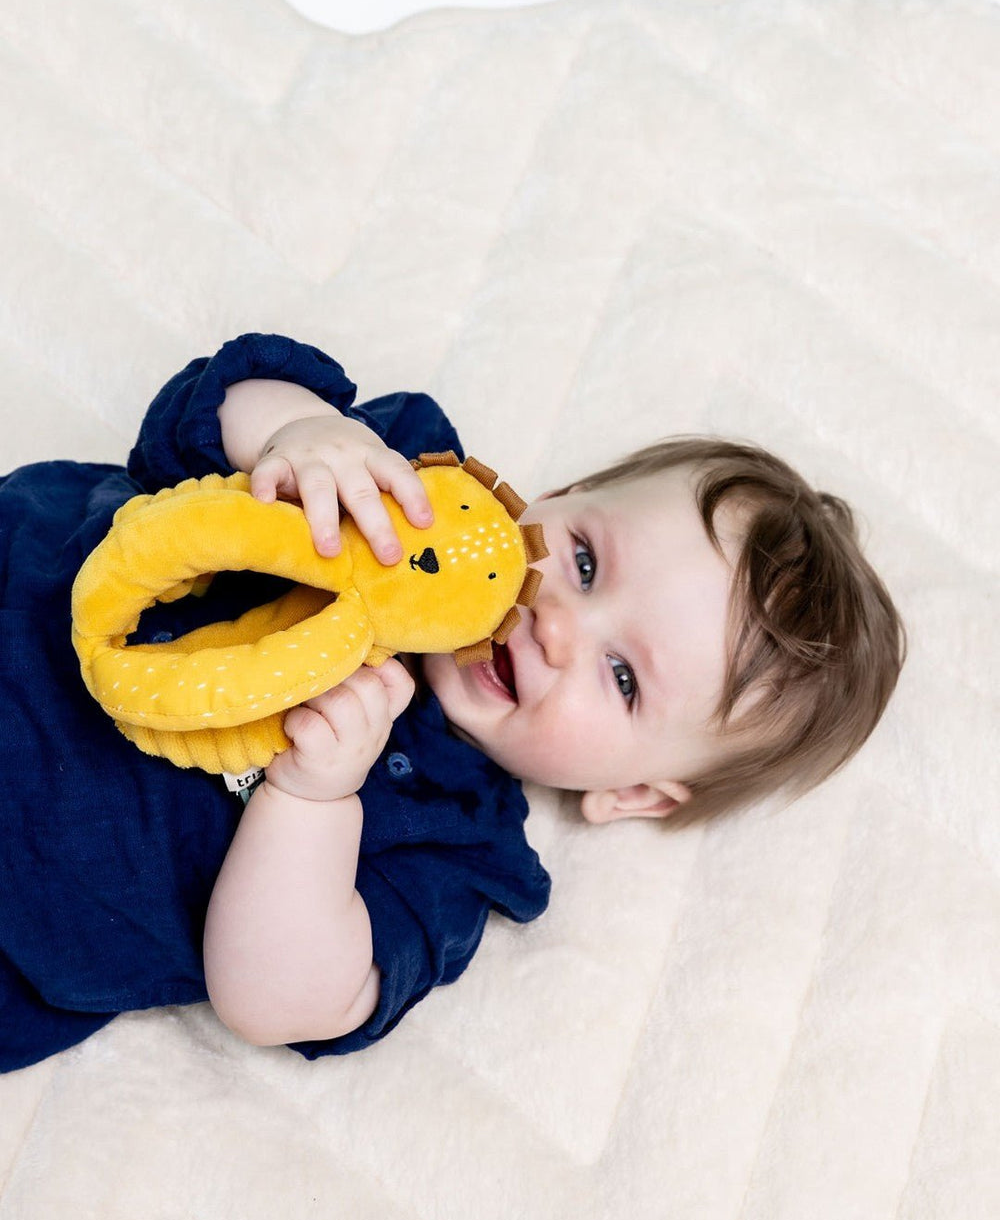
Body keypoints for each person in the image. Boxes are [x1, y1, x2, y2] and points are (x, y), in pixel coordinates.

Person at [0, 332, 905, 1072]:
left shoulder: (454, 843)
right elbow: (208, 403)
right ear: (551, 496)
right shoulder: (404, 493)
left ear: (635, 793)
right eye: (585, 561)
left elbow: (279, 999)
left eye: (623, 678)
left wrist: (312, 802)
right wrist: (306, 437)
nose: (559, 625)